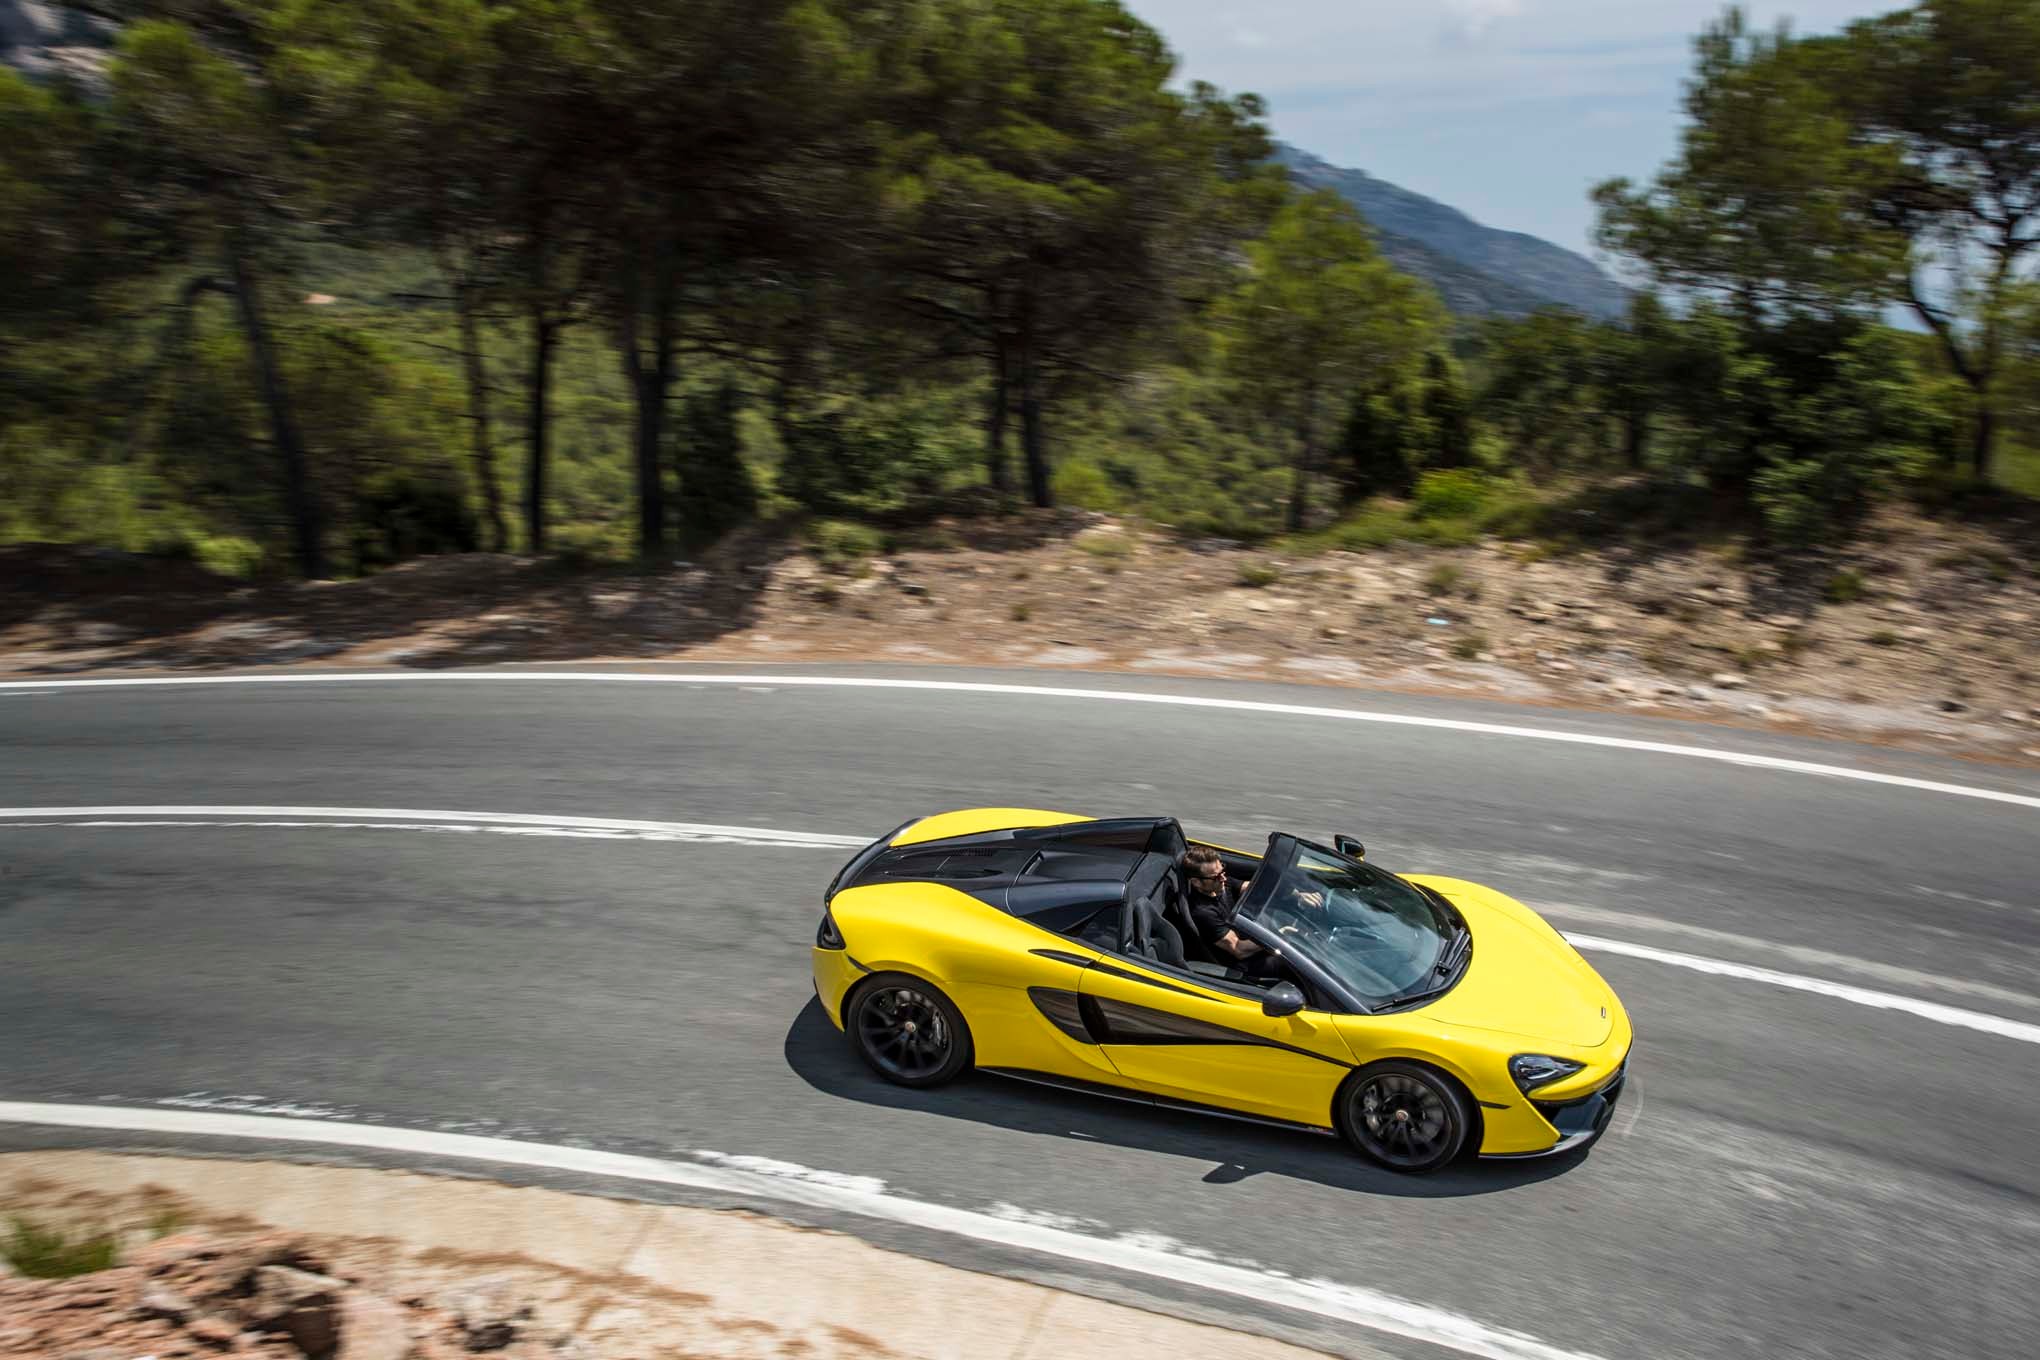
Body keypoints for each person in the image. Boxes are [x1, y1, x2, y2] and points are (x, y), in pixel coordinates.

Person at [1179, 847, 1264, 966]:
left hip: (1248, 935)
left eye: (1222, 871)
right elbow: (1240, 950)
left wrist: (1293, 893)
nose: (1223, 878)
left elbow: (1250, 887)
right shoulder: (1204, 912)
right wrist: (1280, 938)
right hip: (1243, 965)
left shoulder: (1219, 884)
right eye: (1216, 877)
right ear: (1196, 882)